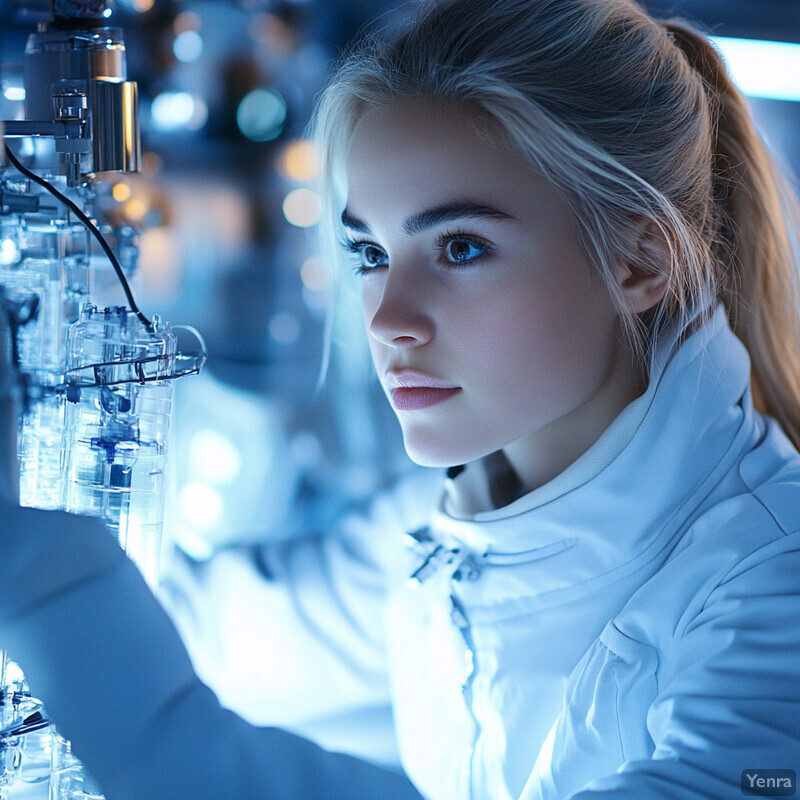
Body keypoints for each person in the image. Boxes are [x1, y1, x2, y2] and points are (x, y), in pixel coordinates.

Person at [2, 0, 800, 798]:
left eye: (460, 247)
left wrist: (57, 581)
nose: (387, 320)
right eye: (371, 252)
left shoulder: (772, 584)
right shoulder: (441, 536)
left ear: (638, 262)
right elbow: (207, 626)